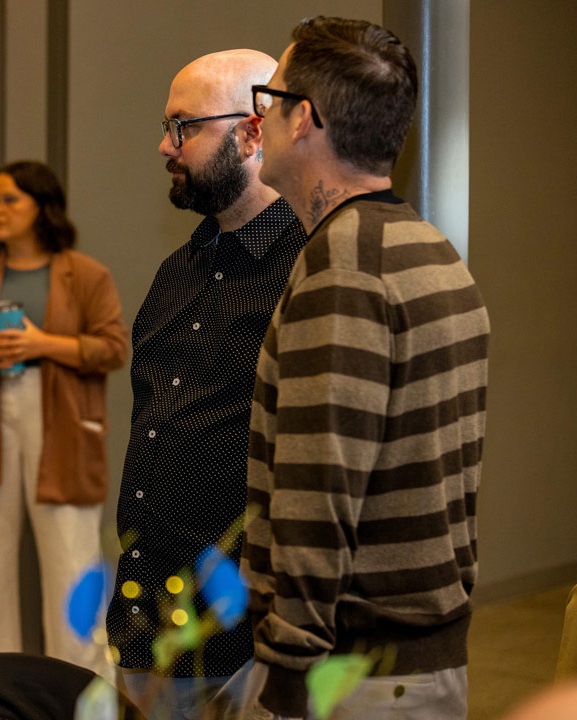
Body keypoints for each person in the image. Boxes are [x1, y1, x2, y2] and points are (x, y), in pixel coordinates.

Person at [232, 17, 490, 720]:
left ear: (304, 119)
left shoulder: (344, 269)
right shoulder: (429, 246)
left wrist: (286, 676)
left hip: (350, 675)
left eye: (269, 98)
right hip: (417, 662)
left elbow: (319, 491)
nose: (259, 118)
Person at [104, 50, 308, 720]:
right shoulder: (176, 270)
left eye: (184, 127)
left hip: (245, 637)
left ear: (252, 131)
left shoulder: (308, 269)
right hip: (146, 615)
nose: (166, 146)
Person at [0, 160, 128, 678]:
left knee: (71, 560)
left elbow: (113, 348)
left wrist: (44, 344)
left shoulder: (86, 274)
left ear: (42, 207)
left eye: (10, 200)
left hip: (64, 425)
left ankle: (81, 689)